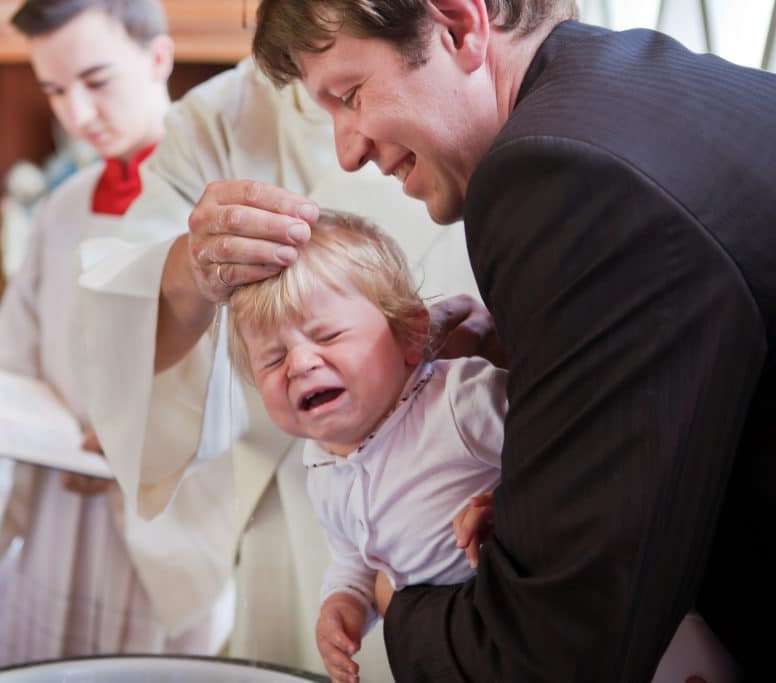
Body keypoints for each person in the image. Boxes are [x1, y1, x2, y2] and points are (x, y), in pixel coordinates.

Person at [179, 0, 773, 680]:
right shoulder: (622, 86)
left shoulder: (561, 175)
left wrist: (389, 598)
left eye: (350, 96)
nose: (347, 150)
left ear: (459, 25)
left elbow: (549, 651)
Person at [73, 56, 486, 681]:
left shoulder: (471, 75)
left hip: (465, 476)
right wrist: (193, 267)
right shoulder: (215, 121)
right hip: (291, 497)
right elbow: (123, 315)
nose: (352, 149)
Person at [0, 0, 231, 662]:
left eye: (96, 81)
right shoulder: (61, 207)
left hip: (167, 513)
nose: (77, 116)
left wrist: (142, 443)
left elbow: (251, 373)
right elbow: (16, 353)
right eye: (54, 91)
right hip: (62, 508)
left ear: (158, 59)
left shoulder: (218, 201)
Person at [227, 209, 507, 682]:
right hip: (448, 654)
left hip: (529, 626)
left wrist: (509, 501)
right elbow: (355, 557)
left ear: (411, 334)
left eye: (328, 335)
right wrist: (345, 603)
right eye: (273, 359)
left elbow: (567, 445)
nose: (300, 363)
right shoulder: (319, 462)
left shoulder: (459, 401)